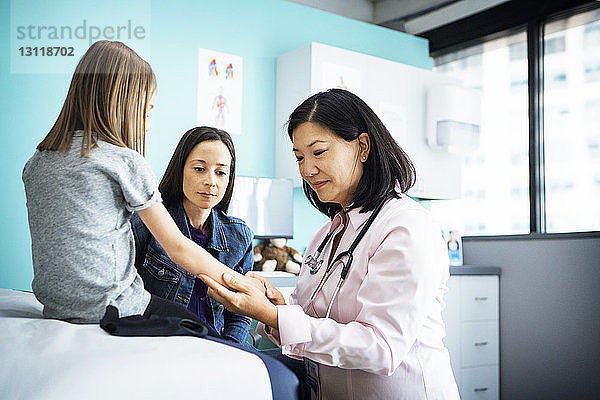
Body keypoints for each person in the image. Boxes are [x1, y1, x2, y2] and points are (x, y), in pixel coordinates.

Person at [201, 89, 460, 399]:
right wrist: (272, 303)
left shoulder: (406, 227)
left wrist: (274, 316)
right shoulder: (327, 233)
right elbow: (310, 317)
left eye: (319, 152)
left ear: (362, 147)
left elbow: (381, 347)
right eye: (299, 157)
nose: (307, 169)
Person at [130, 127, 254, 345]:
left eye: (221, 172)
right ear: (181, 170)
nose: (211, 181)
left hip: (217, 348)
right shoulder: (147, 222)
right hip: (158, 344)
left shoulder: (240, 235)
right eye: (199, 169)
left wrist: (232, 347)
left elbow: (240, 313)